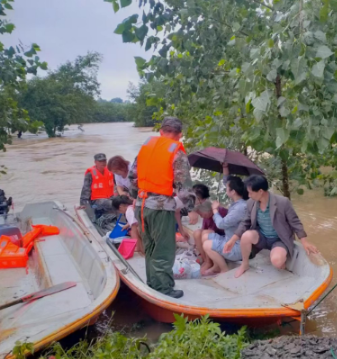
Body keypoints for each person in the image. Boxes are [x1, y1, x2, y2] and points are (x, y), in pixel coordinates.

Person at [129, 117, 195, 299]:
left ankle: (152, 284)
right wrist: (186, 207)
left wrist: (137, 198)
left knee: (149, 248)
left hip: (141, 205)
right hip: (161, 208)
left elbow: (131, 177)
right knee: (163, 250)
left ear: (161, 131)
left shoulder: (146, 147)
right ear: (179, 134)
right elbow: (184, 187)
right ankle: (164, 289)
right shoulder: (176, 152)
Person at [224, 175, 319, 278]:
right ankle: (245, 264)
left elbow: (295, 222)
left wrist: (304, 241)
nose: (249, 195)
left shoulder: (283, 202)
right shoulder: (251, 203)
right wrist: (232, 240)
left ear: (260, 191)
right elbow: (245, 222)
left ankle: (280, 257)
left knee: (277, 262)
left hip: (279, 239)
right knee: (246, 236)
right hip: (262, 237)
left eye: (251, 192)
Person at [202, 175, 248, 275]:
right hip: (228, 239)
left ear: (233, 192)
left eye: (227, 188)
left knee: (207, 245)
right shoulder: (236, 204)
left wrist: (215, 210)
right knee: (205, 236)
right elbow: (225, 181)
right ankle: (215, 265)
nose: (225, 189)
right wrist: (224, 167)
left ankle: (224, 269)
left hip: (236, 247)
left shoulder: (240, 208)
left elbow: (221, 224)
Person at [80, 153, 115, 222]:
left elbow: (116, 185)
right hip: (96, 200)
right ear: (95, 162)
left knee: (121, 202)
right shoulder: (90, 174)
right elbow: (85, 190)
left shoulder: (110, 171)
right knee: (110, 203)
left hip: (110, 197)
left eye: (104, 161)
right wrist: (84, 204)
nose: (103, 163)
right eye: (100, 161)